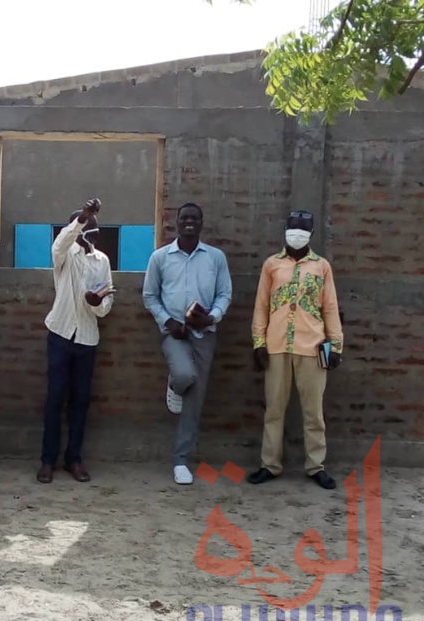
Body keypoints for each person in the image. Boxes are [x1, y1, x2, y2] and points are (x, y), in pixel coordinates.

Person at [248, 210, 343, 490]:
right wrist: (259, 343)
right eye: (292, 228)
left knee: (313, 412)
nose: (296, 233)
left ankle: (316, 466)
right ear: (285, 231)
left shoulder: (321, 266)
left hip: (312, 348)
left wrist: (335, 345)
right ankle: (270, 464)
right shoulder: (272, 265)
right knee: (274, 410)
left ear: (311, 234)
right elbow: (261, 306)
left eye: (302, 229)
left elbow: (330, 308)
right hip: (276, 346)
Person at [143, 202, 232, 485]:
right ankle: (174, 384)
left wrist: (211, 317)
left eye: (194, 218)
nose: (189, 223)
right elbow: (149, 295)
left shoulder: (215, 258)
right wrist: (167, 321)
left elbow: (224, 294)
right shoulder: (160, 257)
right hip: (175, 334)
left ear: (201, 223)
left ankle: (181, 461)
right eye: (184, 219)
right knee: (184, 375)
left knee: (194, 401)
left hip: (204, 334)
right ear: (177, 223)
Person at [38, 198, 115, 484]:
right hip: (60, 335)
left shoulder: (102, 261)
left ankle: (74, 459)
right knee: (54, 400)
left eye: (94, 224)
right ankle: (47, 461)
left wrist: (95, 303)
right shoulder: (64, 254)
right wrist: (81, 217)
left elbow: (107, 303)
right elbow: (61, 242)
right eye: (86, 224)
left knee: (80, 402)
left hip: (87, 339)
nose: (91, 230)